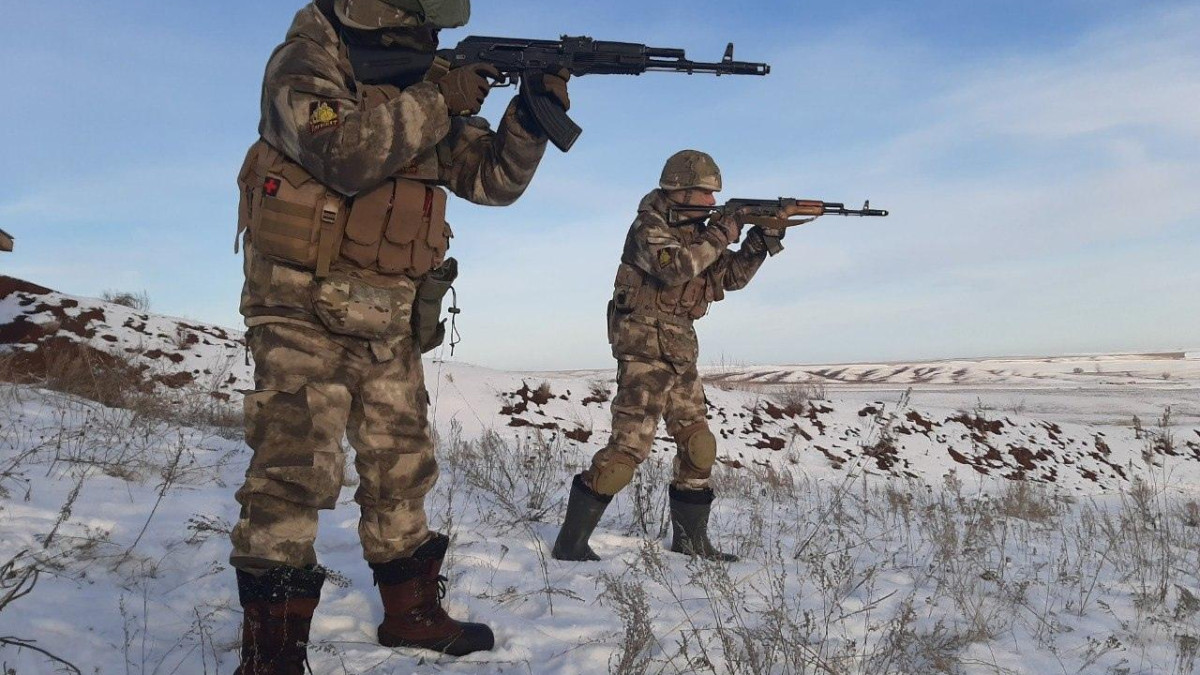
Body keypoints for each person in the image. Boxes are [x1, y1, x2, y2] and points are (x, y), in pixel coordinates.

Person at [229, 0, 568, 670]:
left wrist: (531, 115)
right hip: (301, 306)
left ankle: (411, 613)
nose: (428, 36)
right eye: (417, 22)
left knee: (403, 467)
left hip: (389, 312)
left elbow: (490, 180)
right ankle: (273, 654)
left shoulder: (422, 82)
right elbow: (343, 153)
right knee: (293, 472)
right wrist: (441, 96)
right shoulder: (306, 60)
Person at [551, 150, 797, 563]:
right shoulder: (649, 227)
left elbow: (730, 277)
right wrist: (723, 231)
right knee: (625, 454)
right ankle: (570, 545)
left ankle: (691, 542)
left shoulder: (698, 233)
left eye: (714, 195)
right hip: (644, 353)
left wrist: (760, 241)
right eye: (705, 193)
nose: (712, 201)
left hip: (680, 351)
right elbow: (676, 269)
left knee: (699, 446)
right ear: (679, 190)